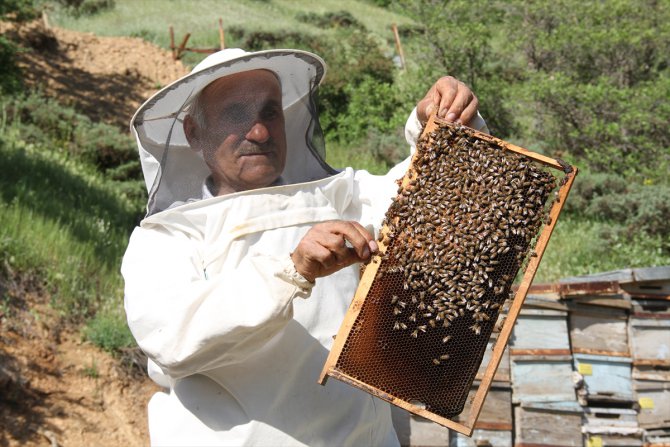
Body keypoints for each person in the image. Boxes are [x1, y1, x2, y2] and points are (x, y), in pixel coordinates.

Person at [122, 48, 487, 446]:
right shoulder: (167, 239)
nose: (259, 132)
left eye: (270, 113)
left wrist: (442, 124)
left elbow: (428, 202)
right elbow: (173, 340)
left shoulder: (338, 197)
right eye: (235, 115)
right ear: (194, 133)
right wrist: (291, 271)